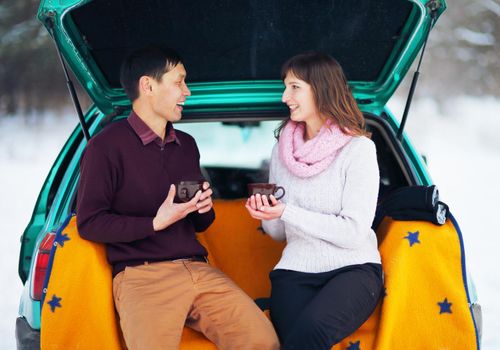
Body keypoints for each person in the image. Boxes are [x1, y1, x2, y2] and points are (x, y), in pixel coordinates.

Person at [77, 46, 279, 350]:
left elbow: (200, 223)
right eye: (179, 82)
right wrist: (154, 223)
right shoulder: (105, 147)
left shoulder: (186, 144)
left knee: (263, 342)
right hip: (143, 277)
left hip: (198, 269)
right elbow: (90, 223)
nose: (187, 91)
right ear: (148, 86)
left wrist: (202, 207)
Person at [245, 51, 383, 349]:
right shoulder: (281, 150)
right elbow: (281, 233)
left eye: (294, 87)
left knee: (311, 332)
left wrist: (288, 211)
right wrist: (267, 215)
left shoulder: (358, 150)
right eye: (286, 86)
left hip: (353, 270)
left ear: (321, 89)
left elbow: (354, 232)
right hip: (293, 271)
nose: (284, 97)